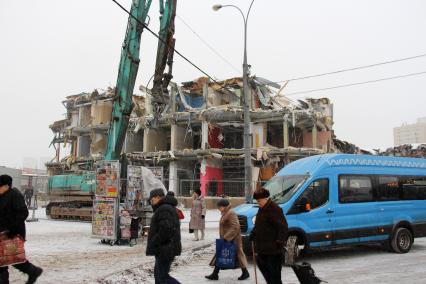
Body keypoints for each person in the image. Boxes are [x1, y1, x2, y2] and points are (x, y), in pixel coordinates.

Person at [0, 175, 43, 284]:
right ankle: (33, 271)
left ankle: (33, 271)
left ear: (6, 186)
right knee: (9, 259)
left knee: (7, 260)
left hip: (12, 233)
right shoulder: (2, 195)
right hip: (3, 233)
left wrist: (12, 230)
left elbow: (23, 213)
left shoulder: (14, 195)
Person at [205, 198, 250, 281]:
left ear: (224, 206)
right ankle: (215, 274)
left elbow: (235, 226)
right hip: (227, 238)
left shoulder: (231, 213)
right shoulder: (225, 213)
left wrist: (226, 237)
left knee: (236, 255)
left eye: (219, 207)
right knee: (221, 254)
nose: (218, 208)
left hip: (233, 239)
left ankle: (245, 272)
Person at [250, 188, 288, 284]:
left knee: (274, 276)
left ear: (265, 198)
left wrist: (279, 242)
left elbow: (283, 227)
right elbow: (259, 224)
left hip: (273, 250)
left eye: (259, 201)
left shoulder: (275, 209)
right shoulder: (262, 209)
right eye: (257, 201)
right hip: (262, 249)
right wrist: (253, 233)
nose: (258, 203)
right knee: (266, 274)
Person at [146, 188, 182, 284]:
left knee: (162, 278)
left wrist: (154, 241)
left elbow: (166, 230)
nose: (151, 202)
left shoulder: (164, 209)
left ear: (158, 197)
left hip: (165, 249)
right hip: (165, 248)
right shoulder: (165, 208)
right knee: (160, 277)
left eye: (152, 200)